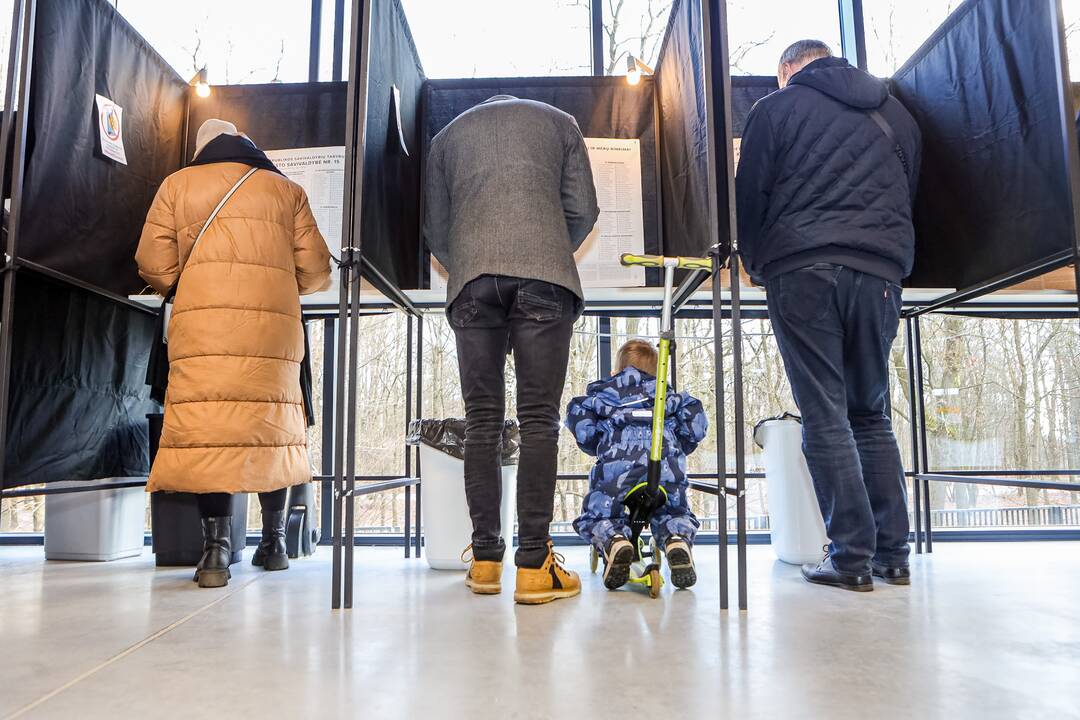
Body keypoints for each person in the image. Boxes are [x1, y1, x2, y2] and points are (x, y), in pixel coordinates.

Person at [736, 40, 922, 592]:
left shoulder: (775, 108)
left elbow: (752, 193)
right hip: (881, 272)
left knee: (825, 413)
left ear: (788, 69)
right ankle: (893, 554)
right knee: (871, 414)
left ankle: (850, 558)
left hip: (804, 268)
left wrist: (754, 261)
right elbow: (908, 193)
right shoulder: (897, 113)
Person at [136, 119, 332, 588]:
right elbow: (317, 271)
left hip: (203, 332)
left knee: (212, 433)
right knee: (272, 430)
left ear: (203, 150)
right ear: (247, 142)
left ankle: (215, 554)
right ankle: (275, 543)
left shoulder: (177, 185)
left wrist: (191, 278)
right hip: (271, 332)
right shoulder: (285, 191)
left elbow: (153, 266)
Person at [424, 95, 599, 605]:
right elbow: (583, 210)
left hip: (472, 282)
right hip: (546, 278)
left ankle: (483, 559)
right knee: (539, 418)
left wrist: (477, 260)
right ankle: (533, 564)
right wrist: (541, 248)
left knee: (482, 418)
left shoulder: (447, 137)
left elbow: (436, 229)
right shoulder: (562, 120)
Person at [567, 339, 707, 590]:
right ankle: (676, 540)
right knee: (673, 512)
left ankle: (615, 540)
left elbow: (583, 428)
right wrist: (681, 444)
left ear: (616, 371)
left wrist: (600, 442)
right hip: (665, 469)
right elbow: (694, 427)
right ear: (656, 372)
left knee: (602, 514)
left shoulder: (602, 395)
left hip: (617, 472)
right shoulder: (669, 397)